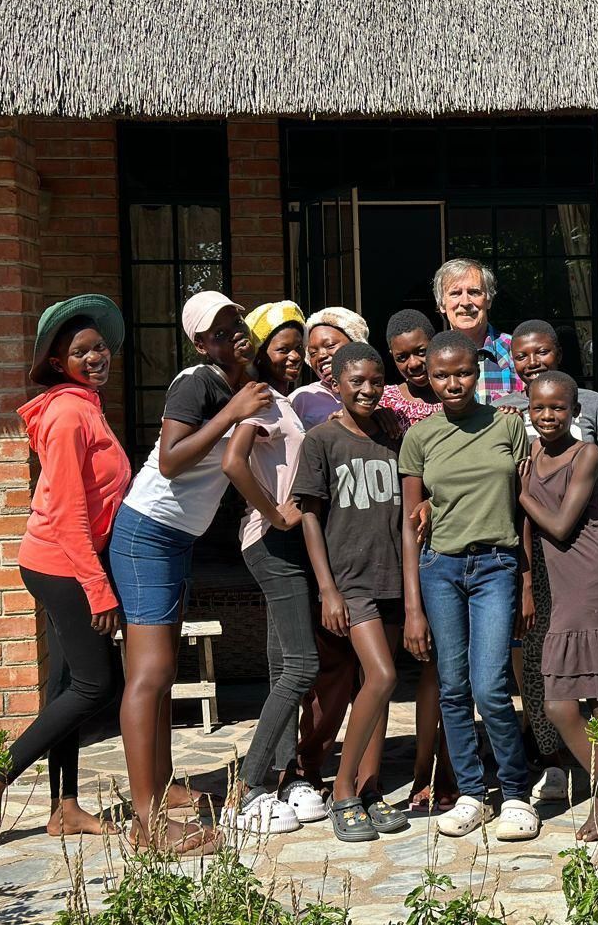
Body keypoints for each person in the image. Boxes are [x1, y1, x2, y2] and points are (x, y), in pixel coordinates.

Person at [109, 290, 270, 853]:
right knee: (148, 674)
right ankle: (147, 822)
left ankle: (164, 786)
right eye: (219, 331)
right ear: (200, 342)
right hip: (148, 531)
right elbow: (172, 460)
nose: (233, 335)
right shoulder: (196, 382)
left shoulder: (238, 383)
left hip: (175, 538)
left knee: (160, 669)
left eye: (235, 323)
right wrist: (231, 414)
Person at [0, 296, 130, 844]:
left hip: (65, 562)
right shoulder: (66, 414)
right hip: (62, 565)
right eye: (80, 351)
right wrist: (99, 588)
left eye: (99, 347)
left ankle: (65, 807)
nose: (94, 357)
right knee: (95, 686)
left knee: (69, 683)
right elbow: (66, 513)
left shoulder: (86, 405)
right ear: (59, 363)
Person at [399, 330, 539, 841]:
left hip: (496, 566)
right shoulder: (420, 437)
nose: (452, 383)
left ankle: (516, 793)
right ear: (428, 377)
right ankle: (472, 795)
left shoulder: (508, 427)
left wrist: (525, 577)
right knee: (453, 689)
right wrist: (413, 606)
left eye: (461, 373)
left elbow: (523, 510)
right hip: (441, 570)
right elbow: (409, 524)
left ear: (478, 373)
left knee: (491, 686)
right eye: (441, 375)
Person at [517, 371, 598, 841]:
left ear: (575, 410)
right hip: (567, 587)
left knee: (584, 705)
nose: (547, 416)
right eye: (539, 408)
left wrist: (519, 492)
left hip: (596, 585)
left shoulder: (586, 453)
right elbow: (530, 534)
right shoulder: (530, 456)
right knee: (574, 705)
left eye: (557, 407)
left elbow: (560, 523)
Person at [494, 319, 598, 803]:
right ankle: (556, 761)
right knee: (540, 665)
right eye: (522, 356)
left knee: (594, 672)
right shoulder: (504, 413)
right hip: (531, 556)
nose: (532, 362)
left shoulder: (593, 406)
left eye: (541, 352)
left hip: (582, 554)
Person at [293, 343, 409, 842]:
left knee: (377, 687)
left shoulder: (392, 437)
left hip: (392, 576)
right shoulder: (321, 440)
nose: (367, 389)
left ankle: (368, 786)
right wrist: (326, 588)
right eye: (355, 381)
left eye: (375, 380)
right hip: (350, 579)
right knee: (381, 677)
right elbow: (309, 516)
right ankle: (342, 790)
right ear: (335, 384)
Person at [219, 301, 323, 835]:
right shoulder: (259, 398)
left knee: (283, 662)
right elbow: (233, 462)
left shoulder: (282, 402)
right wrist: (272, 511)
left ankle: (283, 778)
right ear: (260, 351)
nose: (292, 358)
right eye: (281, 349)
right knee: (302, 667)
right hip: (270, 543)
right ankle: (252, 785)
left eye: (296, 349)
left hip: (284, 544)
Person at [378, 309, 458, 813]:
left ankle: (438, 768)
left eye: (420, 352)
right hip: (388, 543)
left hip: (446, 543)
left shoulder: (457, 398)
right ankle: (378, 774)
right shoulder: (381, 402)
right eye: (402, 355)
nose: (413, 363)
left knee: (442, 665)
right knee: (386, 667)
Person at [288, 306, 368, 798]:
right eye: (313, 348)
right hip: (319, 549)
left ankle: (361, 767)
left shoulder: (375, 399)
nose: (319, 355)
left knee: (367, 669)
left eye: (330, 345)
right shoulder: (302, 404)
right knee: (329, 666)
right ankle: (307, 761)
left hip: (366, 548)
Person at [431, 258, 521, 403]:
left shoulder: (516, 351)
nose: (465, 302)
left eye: (474, 292)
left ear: (489, 300)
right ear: (441, 304)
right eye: (455, 293)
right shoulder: (431, 357)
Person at [289, 306, 369, 430]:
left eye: (330, 345)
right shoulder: (302, 398)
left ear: (356, 343)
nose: (321, 356)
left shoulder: (376, 393)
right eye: (313, 353)